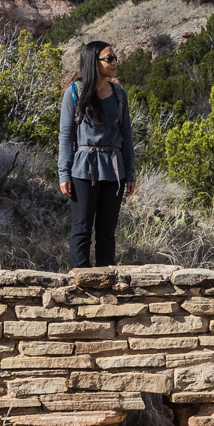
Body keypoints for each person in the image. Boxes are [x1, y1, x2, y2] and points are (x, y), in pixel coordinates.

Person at [58, 39, 137, 268]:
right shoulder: (74, 93)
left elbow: (126, 137)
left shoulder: (120, 95)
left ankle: (105, 281)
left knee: (107, 232)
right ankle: (80, 282)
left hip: (114, 171)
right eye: (109, 58)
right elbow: (66, 136)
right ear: (95, 62)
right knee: (81, 228)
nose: (114, 62)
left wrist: (130, 173)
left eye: (114, 58)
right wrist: (64, 174)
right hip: (83, 169)